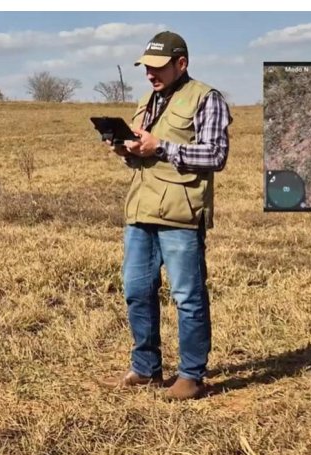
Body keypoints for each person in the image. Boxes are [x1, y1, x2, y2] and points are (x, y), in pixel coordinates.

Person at [98, 31, 232, 400]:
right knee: (136, 291)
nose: (150, 74)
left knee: (187, 296)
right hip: (140, 210)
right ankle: (145, 369)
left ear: (181, 64)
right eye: (146, 67)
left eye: (158, 67)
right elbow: (144, 157)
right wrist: (126, 150)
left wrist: (161, 146)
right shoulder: (147, 100)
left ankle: (191, 376)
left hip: (180, 213)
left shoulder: (206, 98)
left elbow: (216, 155)